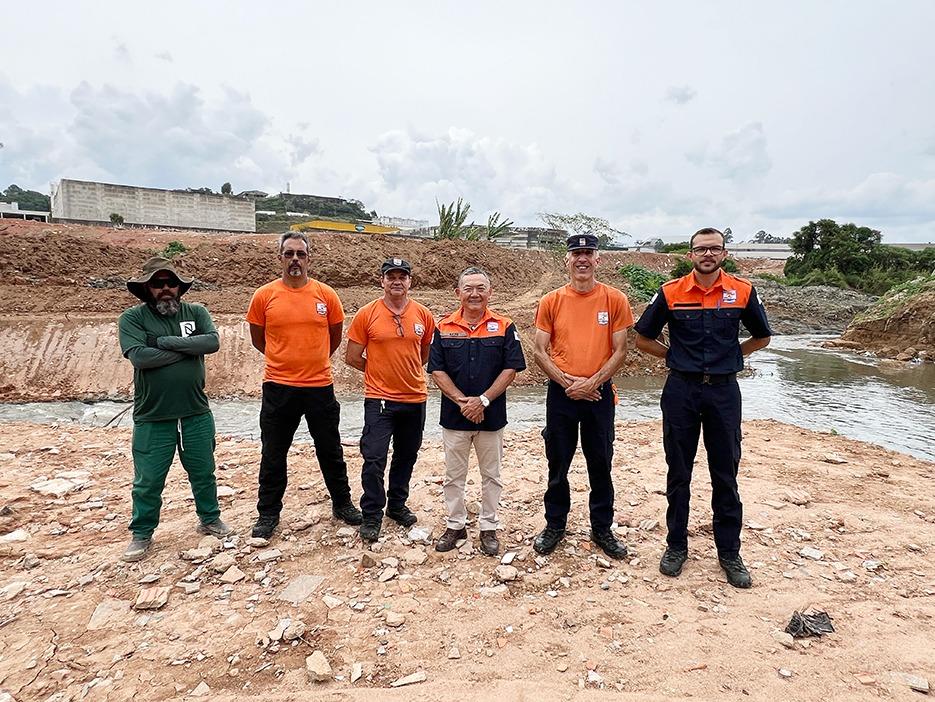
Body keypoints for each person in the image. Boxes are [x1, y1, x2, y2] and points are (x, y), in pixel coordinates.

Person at [634, 227, 772, 588]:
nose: (707, 254)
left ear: (723, 253)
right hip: (681, 390)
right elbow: (642, 338)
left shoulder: (742, 291)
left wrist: (731, 357)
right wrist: (674, 357)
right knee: (678, 471)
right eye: (700, 249)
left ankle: (729, 552)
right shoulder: (670, 292)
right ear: (690, 254)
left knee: (725, 472)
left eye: (714, 248)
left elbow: (762, 336)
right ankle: (676, 546)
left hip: (724, 393)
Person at [246, 231, 362, 541]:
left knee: (330, 449)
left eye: (300, 253)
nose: (295, 259)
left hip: (319, 386)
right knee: (273, 452)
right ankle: (268, 514)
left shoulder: (326, 296)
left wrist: (313, 359)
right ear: (280, 258)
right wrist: (283, 358)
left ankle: (342, 504)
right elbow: (260, 339)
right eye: (289, 253)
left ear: (309, 258)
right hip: (278, 387)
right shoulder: (263, 296)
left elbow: (334, 338)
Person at [118, 256, 232, 562]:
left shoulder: (196, 312)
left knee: (203, 471)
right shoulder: (132, 319)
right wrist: (185, 348)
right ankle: (142, 533)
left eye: (171, 283)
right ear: (146, 289)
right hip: (153, 416)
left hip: (196, 411)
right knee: (149, 479)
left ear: (180, 288)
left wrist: (162, 342)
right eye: (158, 283)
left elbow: (210, 343)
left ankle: (209, 518)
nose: (166, 288)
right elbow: (140, 358)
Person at [532, 234, 634, 559]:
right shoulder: (551, 300)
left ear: (597, 259)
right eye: (576, 253)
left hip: (599, 394)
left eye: (588, 252)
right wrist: (568, 384)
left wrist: (592, 384)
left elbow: (621, 351)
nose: (582, 259)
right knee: (557, 461)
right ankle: (555, 525)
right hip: (561, 394)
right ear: (567, 260)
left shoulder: (614, 299)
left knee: (601, 461)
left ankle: (602, 528)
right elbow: (539, 350)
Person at [428, 266, 526, 556]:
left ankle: (488, 527)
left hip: (491, 417)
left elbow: (511, 369)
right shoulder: (442, 327)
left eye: (480, 288)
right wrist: (463, 402)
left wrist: (483, 400)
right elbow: (436, 371)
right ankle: (455, 524)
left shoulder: (505, 326)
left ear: (490, 292)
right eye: (468, 288)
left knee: (491, 476)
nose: (474, 294)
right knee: (453, 476)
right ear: (458, 292)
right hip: (454, 417)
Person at [345, 258, 436, 542]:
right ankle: (371, 515)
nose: (397, 281)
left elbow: (425, 355)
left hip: (415, 397)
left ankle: (397, 505)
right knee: (374, 457)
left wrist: (405, 371)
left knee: (406, 455)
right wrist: (378, 372)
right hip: (379, 399)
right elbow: (352, 356)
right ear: (382, 281)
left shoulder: (423, 315)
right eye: (391, 276)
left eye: (402, 276)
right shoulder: (366, 314)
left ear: (410, 281)